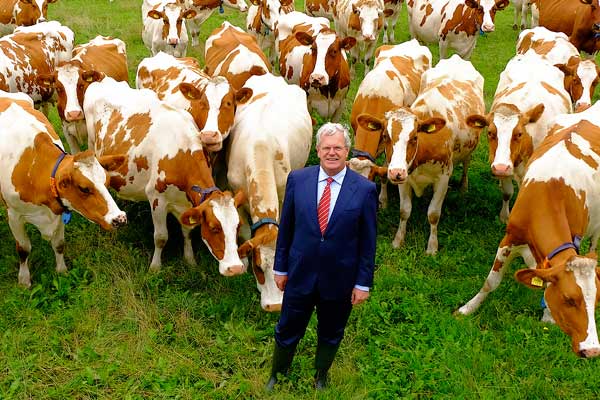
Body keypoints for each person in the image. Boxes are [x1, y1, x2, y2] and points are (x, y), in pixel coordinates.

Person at [266, 122, 378, 391]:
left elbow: (368, 242)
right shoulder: (298, 179)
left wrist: (363, 283)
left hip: (340, 278)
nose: (332, 152)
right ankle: (278, 374)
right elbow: (287, 229)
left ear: (347, 151)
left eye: (337, 147)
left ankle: (321, 376)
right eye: (327, 148)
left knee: (331, 331)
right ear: (317, 150)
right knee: (288, 327)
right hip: (300, 272)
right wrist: (280, 268)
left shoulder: (364, 190)